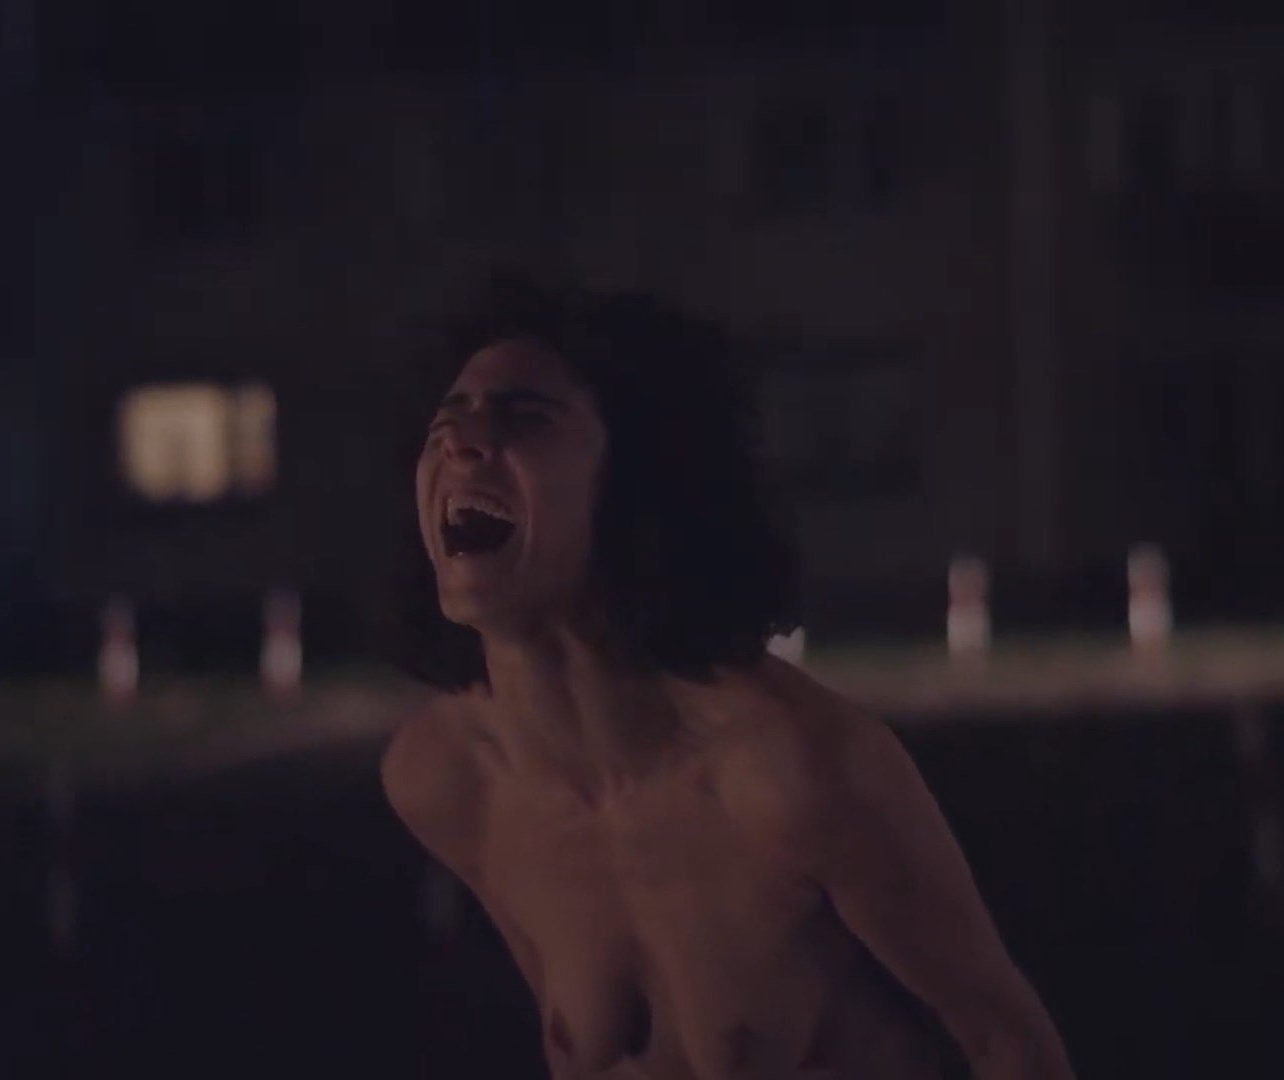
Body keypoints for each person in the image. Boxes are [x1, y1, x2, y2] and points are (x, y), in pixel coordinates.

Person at [380, 275, 1073, 1079]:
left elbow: (1009, 1045)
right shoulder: (445, 781)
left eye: (523, 415)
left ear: (636, 481)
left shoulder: (796, 772)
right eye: (447, 420)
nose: (461, 445)